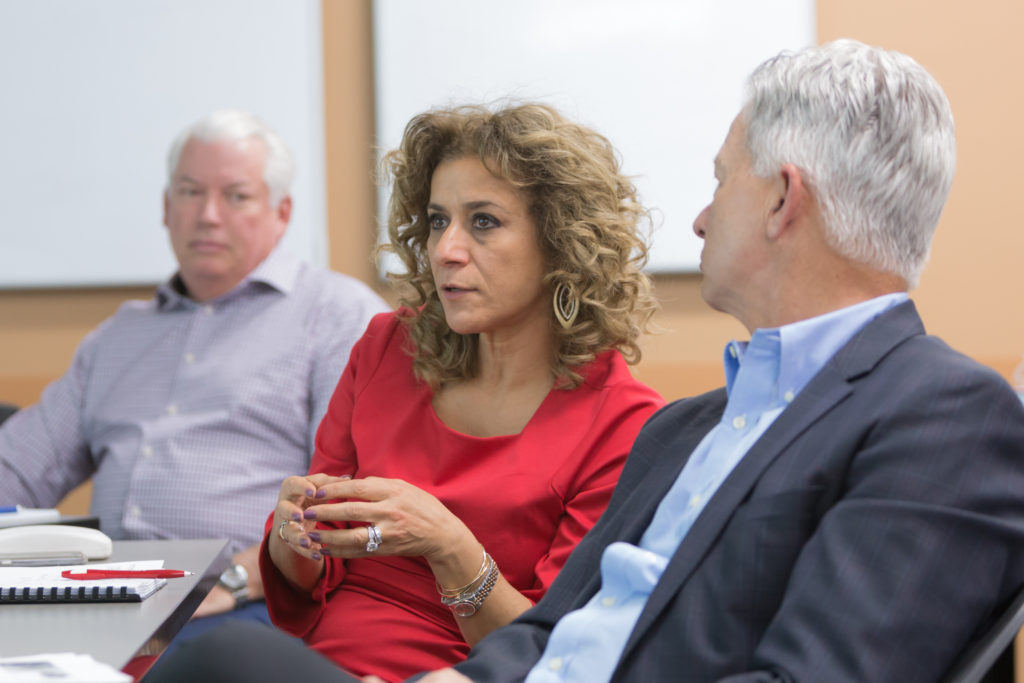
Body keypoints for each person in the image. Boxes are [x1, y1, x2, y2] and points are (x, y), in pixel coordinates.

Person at [149, 40, 1024, 683]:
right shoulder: (691, 428)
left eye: (721, 183)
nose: (697, 220)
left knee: (219, 659)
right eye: (438, 224)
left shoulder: (947, 412)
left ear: (783, 201)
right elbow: (552, 634)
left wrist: (450, 565)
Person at [145, 102, 665, 682]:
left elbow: (558, 652)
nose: (447, 249)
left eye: (484, 222)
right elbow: (303, 584)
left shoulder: (628, 424)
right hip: (319, 664)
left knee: (221, 657)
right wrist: (292, 536)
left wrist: (449, 546)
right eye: (439, 221)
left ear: (561, 242)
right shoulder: (389, 345)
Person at [0, 110, 389, 638]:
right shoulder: (118, 336)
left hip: (246, 605)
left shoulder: (337, 316)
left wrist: (233, 582)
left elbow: (345, 495)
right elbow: (18, 466)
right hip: (108, 598)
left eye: (236, 196)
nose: (207, 214)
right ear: (165, 208)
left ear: (282, 212)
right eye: (189, 192)